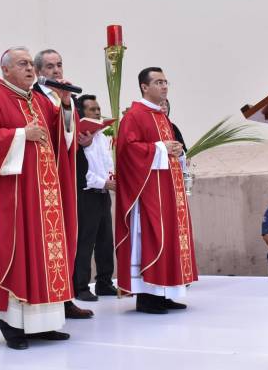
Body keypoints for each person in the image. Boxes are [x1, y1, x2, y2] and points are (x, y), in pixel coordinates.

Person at [0, 47, 77, 350]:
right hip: (14, 197)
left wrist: (66, 106)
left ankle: (46, 324)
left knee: (44, 257)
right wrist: (18, 135)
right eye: (23, 64)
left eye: (31, 64)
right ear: (5, 70)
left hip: (45, 198)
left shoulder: (41, 100)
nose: (30, 69)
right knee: (15, 256)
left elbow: (60, 137)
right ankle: (13, 327)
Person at [115, 67, 198, 315]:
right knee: (151, 239)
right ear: (144, 87)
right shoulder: (135, 115)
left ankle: (166, 292)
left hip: (169, 192)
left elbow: (167, 149)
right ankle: (148, 297)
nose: (164, 87)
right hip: (149, 193)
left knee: (170, 238)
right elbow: (128, 150)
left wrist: (176, 151)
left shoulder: (161, 116)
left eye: (165, 82)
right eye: (158, 82)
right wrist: (161, 148)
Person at [33, 48, 94, 318]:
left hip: (64, 178)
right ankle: (50, 299)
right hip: (41, 181)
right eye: (49, 67)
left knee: (68, 236)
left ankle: (66, 297)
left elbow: (68, 139)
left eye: (59, 65)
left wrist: (68, 103)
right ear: (38, 72)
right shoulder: (33, 98)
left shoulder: (63, 99)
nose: (57, 71)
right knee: (47, 241)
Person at [73, 94, 117, 301]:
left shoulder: (101, 135)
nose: (98, 112)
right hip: (87, 194)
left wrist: (112, 180)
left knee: (105, 240)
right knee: (85, 241)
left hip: (103, 194)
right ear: (81, 113)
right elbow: (82, 171)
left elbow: (105, 164)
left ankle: (104, 283)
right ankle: (81, 287)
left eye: (98, 108)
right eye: (92, 109)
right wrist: (104, 183)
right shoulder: (78, 137)